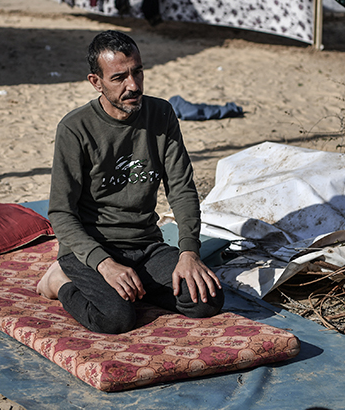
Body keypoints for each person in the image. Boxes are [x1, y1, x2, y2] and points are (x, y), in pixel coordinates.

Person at [37, 30, 224, 333]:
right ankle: (59, 282)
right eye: (119, 78)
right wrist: (104, 264)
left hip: (145, 245)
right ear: (96, 82)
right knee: (116, 318)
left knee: (206, 300)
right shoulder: (75, 128)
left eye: (137, 72)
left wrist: (189, 252)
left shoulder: (161, 114)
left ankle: (134, 286)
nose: (133, 85)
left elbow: (181, 188)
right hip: (92, 251)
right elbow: (61, 213)